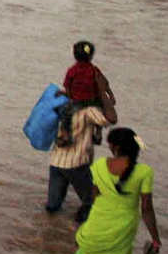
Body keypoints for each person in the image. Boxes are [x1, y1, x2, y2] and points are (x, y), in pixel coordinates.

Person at [75, 128, 161, 254]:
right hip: (122, 230)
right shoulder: (145, 172)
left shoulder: (99, 165)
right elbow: (146, 209)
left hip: (96, 224)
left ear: (115, 147)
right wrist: (155, 239)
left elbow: (94, 197)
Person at [46, 88, 117, 223]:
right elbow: (110, 119)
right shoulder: (89, 111)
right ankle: (80, 231)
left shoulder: (62, 104)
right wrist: (103, 95)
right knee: (93, 202)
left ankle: (51, 230)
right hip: (76, 163)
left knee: (53, 206)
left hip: (56, 161)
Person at [56, 40, 116, 147]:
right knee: (100, 111)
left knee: (66, 114)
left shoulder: (72, 71)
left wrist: (66, 94)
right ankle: (97, 134)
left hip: (78, 103)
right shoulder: (94, 70)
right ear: (91, 56)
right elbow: (104, 83)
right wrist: (110, 95)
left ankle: (65, 135)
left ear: (74, 55)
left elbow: (68, 88)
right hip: (94, 101)